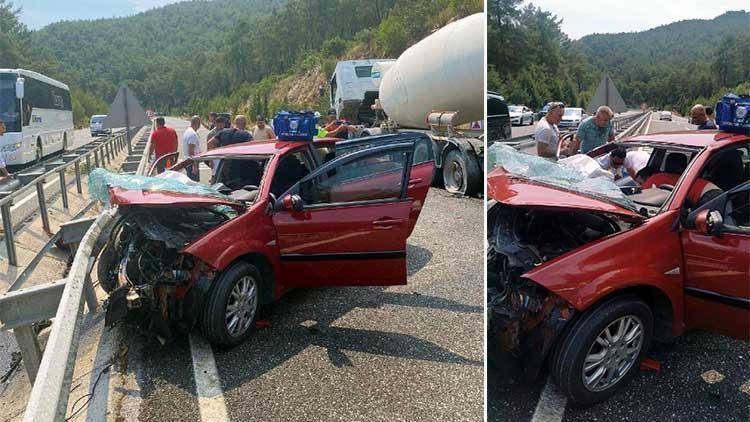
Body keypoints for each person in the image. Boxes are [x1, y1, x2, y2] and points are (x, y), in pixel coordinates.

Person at [182, 115, 203, 181]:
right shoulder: (193, 134)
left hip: (188, 160)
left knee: (191, 181)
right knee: (194, 183)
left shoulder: (188, 131)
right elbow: (191, 151)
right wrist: (195, 165)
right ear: (198, 123)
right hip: (192, 162)